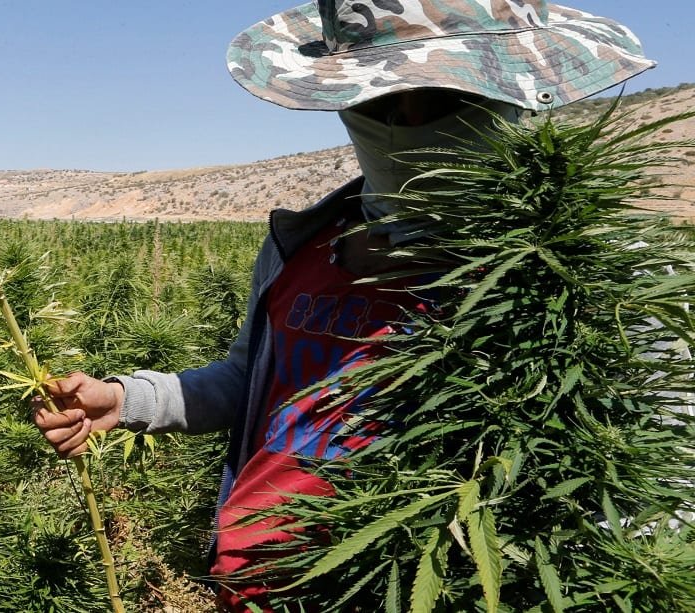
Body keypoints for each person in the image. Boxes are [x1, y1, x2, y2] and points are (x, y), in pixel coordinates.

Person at [34, 1, 655, 610]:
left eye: (443, 97)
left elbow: (640, 483)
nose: (407, 118)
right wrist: (126, 400)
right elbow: (252, 381)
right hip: (258, 581)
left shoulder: (582, 265)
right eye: (378, 99)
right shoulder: (304, 243)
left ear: (509, 95)